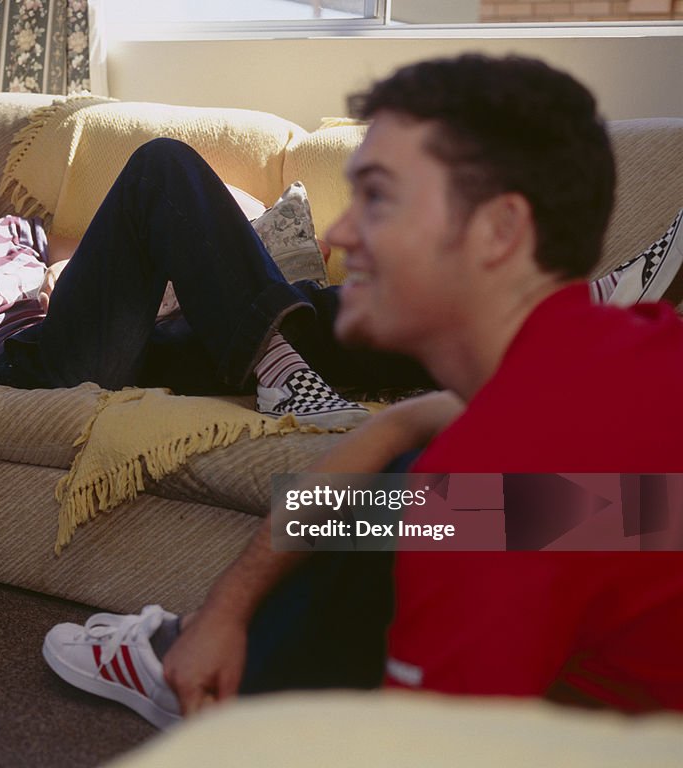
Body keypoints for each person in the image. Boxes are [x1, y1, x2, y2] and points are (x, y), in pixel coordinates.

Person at [42, 53, 683, 728]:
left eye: (378, 197)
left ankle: (223, 691)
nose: (341, 232)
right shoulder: (632, 360)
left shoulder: (492, 481)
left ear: (500, 229)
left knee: (418, 503)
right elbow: (416, 434)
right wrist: (224, 610)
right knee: (406, 496)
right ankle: (200, 649)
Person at [0, 139, 432, 550]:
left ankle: (485, 358)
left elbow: (121, 257)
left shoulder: (11, 231)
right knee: (157, 163)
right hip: (44, 365)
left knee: (315, 311)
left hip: (125, 345)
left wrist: (60, 272)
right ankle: (278, 372)